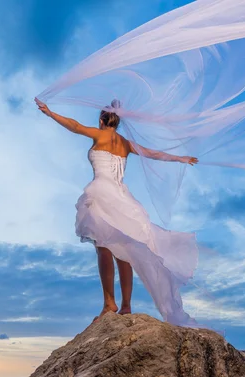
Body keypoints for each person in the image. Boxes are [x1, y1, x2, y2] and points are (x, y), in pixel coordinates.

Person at [35, 98, 200, 325]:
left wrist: (51, 113)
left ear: (103, 120)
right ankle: (126, 306)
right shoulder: (126, 143)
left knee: (103, 248)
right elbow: (152, 153)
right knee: (125, 253)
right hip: (123, 198)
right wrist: (180, 158)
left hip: (102, 193)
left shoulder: (101, 134)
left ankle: (109, 303)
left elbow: (75, 126)